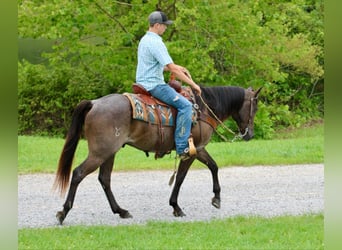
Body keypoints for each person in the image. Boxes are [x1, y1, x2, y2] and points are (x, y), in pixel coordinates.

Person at [136, 10, 202, 160]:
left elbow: (158, 65)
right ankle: (181, 147)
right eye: (164, 25)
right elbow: (171, 68)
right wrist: (194, 84)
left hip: (142, 82)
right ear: (157, 25)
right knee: (186, 106)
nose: (166, 28)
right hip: (154, 85)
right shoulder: (156, 42)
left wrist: (180, 68)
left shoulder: (145, 40)